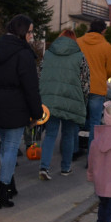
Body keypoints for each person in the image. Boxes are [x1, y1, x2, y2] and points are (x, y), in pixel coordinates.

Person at [0, 15, 43, 209]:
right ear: (22, 32)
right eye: (30, 31)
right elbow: (31, 86)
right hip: (16, 107)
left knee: (6, 146)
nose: (32, 36)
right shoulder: (24, 54)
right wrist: (37, 113)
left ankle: (9, 184)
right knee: (10, 149)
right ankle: (2, 191)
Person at [38, 29, 89, 180]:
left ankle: (44, 167)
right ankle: (66, 167)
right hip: (72, 101)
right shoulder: (80, 56)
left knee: (50, 134)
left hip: (50, 100)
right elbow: (85, 82)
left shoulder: (48, 54)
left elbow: (40, 75)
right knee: (68, 135)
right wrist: (83, 102)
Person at [77, 19, 111, 155]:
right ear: (104, 31)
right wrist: (102, 76)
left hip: (79, 87)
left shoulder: (78, 42)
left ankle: (73, 150)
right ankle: (91, 156)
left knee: (76, 120)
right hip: (97, 88)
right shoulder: (106, 46)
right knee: (95, 122)